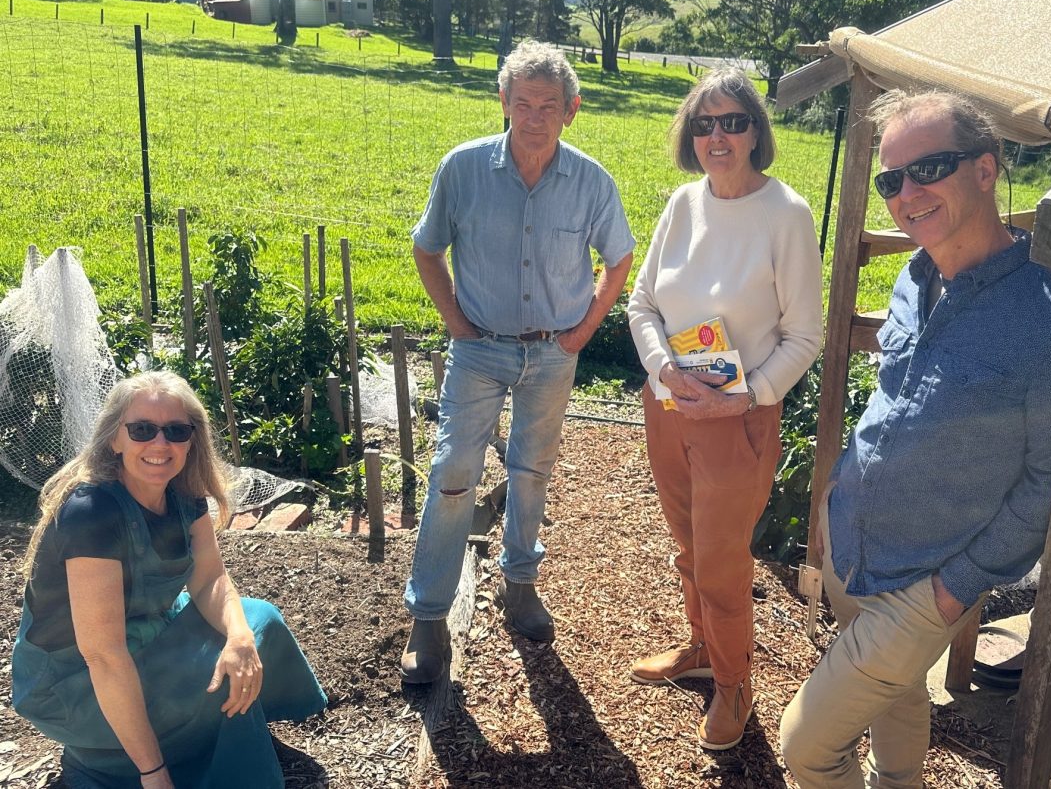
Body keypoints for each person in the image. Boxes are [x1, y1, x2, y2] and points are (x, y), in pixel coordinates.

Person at [779, 89, 1051, 787]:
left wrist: (958, 589)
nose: (905, 193)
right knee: (899, 694)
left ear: (986, 169)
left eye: (930, 168)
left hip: (926, 583)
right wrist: (834, 493)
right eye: (891, 180)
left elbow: (1050, 483)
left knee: (806, 747)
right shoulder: (914, 279)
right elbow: (887, 409)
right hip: (856, 549)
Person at [401, 39, 635, 682]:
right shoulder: (463, 169)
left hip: (552, 355)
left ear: (572, 110)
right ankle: (429, 618)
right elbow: (427, 249)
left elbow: (619, 260)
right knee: (453, 470)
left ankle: (520, 582)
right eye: (522, 102)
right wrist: (456, 323)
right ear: (502, 102)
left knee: (532, 472)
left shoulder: (591, 182)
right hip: (479, 351)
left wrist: (582, 332)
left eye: (548, 105)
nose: (534, 117)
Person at [626, 67, 823, 750]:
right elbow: (642, 303)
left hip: (739, 420)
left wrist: (749, 395)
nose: (718, 135)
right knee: (689, 546)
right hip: (671, 407)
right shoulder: (683, 205)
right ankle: (703, 648)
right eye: (704, 123)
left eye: (733, 121)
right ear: (691, 134)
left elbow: (804, 336)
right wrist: (662, 370)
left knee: (722, 559)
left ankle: (736, 684)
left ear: (755, 133)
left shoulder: (786, 215)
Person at [12, 370, 326, 789]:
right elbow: (104, 657)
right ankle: (134, 756)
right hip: (73, 684)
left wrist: (239, 638)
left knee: (258, 621)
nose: (160, 444)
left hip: (143, 638)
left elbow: (211, 580)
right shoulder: (92, 514)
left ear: (191, 439)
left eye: (176, 430)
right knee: (210, 676)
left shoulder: (184, 494)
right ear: (114, 439)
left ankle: (222, 718)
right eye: (143, 429)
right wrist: (153, 773)